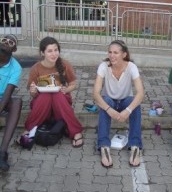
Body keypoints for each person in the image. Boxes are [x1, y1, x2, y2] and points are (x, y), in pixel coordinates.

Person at [19, 36, 84, 148]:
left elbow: (73, 84)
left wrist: (66, 89)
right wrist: (33, 90)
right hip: (43, 105)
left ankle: (75, 131)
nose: (54, 54)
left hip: (61, 103)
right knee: (45, 96)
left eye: (56, 50)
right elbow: (33, 95)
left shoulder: (64, 64)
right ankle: (30, 129)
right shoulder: (36, 68)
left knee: (57, 95)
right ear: (42, 53)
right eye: (49, 51)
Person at [93, 40, 144, 168]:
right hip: (109, 102)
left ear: (124, 54)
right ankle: (104, 146)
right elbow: (95, 93)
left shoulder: (131, 67)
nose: (112, 55)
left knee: (134, 102)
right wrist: (109, 109)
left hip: (125, 100)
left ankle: (135, 145)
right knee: (105, 100)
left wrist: (128, 110)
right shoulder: (104, 66)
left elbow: (141, 93)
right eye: (110, 52)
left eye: (116, 52)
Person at [0, 34, 22, 171]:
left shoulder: (16, 68)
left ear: (14, 50)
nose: (7, 42)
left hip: (3, 99)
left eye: (11, 42)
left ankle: (2, 152)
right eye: (4, 40)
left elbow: (7, 95)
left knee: (17, 102)